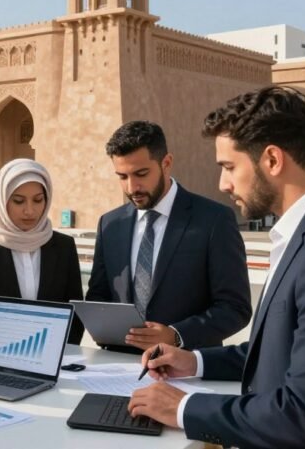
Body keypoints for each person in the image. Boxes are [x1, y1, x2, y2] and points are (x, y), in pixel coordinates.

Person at [131, 87, 305, 446]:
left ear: (272, 159)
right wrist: (194, 362)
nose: (222, 184)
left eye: (229, 167)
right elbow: (278, 354)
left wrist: (183, 408)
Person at [86, 120, 252, 353]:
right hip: (120, 364)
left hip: (188, 365)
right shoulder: (110, 225)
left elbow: (235, 308)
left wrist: (176, 335)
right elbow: (98, 297)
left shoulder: (214, 220)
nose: (132, 187)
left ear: (166, 163)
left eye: (141, 174)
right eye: (122, 176)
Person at [0, 158, 85, 344]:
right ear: (2, 201)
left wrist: (63, 351)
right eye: (19, 201)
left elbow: (75, 311)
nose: (30, 211)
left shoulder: (63, 246)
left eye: (38, 200)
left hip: (56, 354)